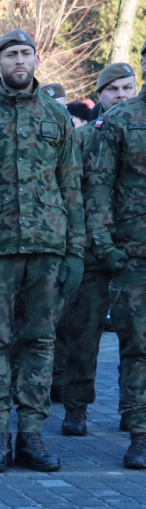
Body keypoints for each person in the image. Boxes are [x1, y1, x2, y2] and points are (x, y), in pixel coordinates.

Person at [0, 29, 85, 474]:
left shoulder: (57, 116)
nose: (19, 60)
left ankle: (32, 436)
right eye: (11, 55)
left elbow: (71, 187)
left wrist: (76, 250)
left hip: (48, 247)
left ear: (35, 60)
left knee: (41, 341)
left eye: (26, 53)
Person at [60, 64, 133, 442]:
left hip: (133, 248)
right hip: (91, 250)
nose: (121, 95)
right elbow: (72, 190)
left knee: (135, 335)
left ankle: (132, 409)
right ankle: (76, 407)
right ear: (99, 94)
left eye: (127, 88)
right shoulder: (85, 137)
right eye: (113, 89)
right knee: (83, 333)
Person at [85, 46, 146, 469]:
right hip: (135, 254)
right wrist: (105, 244)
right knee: (138, 347)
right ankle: (140, 434)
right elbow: (99, 186)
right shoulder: (122, 120)